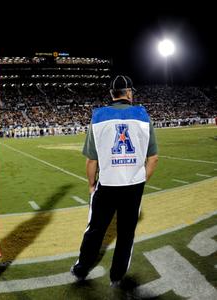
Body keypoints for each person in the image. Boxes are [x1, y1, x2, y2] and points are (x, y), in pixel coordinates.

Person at [71, 75, 159, 287]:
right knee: (126, 233)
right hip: (134, 186)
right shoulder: (143, 115)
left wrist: (91, 184)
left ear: (112, 94)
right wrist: (140, 179)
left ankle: (82, 268)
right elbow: (153, 158)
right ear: (128, 92)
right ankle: (116, 276)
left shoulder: (99, 116)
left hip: (108, 184)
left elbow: (91, 160)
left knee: (95, 230)